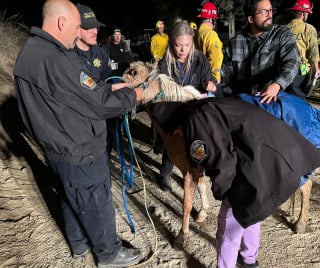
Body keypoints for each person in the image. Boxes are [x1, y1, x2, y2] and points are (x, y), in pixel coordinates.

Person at [13, 0, 143, 267]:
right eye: (75, 27)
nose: (77, 33)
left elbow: (70, 96)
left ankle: (79, 245)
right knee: (95, 200)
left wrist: (105, 90)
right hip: (80, 147)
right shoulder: (57, 59)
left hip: (56, 147)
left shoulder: (29, 53)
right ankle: (109, 253)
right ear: (62, 23)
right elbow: (97, 103)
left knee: (71, 196)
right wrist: (134, 95)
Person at [149, 96, 320, 268]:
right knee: (252, 211)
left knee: (229, 223)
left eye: (177, 133)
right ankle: (249, 259)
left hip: (264, 166)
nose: (178, 136)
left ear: (176, 125)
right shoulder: (212, 103)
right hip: (288, 155)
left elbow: (220, 162)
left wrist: (224, 194)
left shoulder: (194, 123)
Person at [219, 0, 300, 267]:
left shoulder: (282, 35)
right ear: (251, 17)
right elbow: (226, 78)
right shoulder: (236, 42)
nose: (270, 14)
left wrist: (277, 83)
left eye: (270, 10)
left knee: (265, 177)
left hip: (271, 113)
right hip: (242, 117)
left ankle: (249, 254)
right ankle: (237, 254)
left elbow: (291, 61)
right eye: (263, 11)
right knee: (239, 180)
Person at [155, 18, 221, 191]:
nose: (183, 50)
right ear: (171, 43)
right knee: (174, 144)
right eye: (178, 45)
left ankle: (198, 170)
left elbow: (209, 78)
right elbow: (162, 92)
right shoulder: (165, 63)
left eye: (187, 44)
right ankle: (165, 174)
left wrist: (210, 83)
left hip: (194, 108)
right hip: (174, 108)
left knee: (200, 139)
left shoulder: (200, 59)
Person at [287, 0, 320, 98]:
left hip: (283, 69)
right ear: (304, 13)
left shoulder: (285, 28)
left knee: (284, 97)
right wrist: (316, 68)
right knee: (298, 98)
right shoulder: (308, 28)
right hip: (299, 70)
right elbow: (313, 51)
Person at [194, 1, 224, 83]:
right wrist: (216, 78)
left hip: (197, 76)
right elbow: (216, 57)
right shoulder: (211, 34)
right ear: (212, 19)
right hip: (210, 79)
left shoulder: (196, 34)